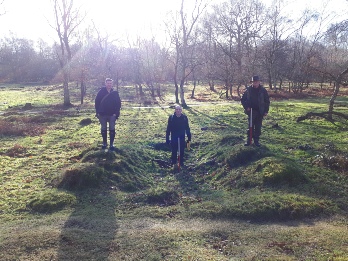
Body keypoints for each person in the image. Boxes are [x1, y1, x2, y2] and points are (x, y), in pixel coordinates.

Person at [241, 75, 270, 147]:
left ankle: (256, 141)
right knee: (250, 126)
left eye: (256, 82)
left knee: (258, 127)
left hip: (260, 111)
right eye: (254, 82)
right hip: (251, 111)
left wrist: (266, 111)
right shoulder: (248, 90)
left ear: (259, 82)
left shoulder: (263, 90)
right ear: (252, 82)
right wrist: (246, 107)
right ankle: (249, 141)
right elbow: (243, 100)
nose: (255, 83)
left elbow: (267, 101)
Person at [95, 78, 121, 151]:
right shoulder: (101, 92)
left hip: (112, 114)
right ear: (105, 83)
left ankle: (112, 144)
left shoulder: (115, 93)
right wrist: (97, 112)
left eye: (110, 83)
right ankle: (104, 143)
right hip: (102, 114)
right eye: (108, 83)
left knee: (112, 129)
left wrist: (116, 113)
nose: (109, 84)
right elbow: (97, 102)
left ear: (112, 84)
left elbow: (118, 103)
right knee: (103, 128)